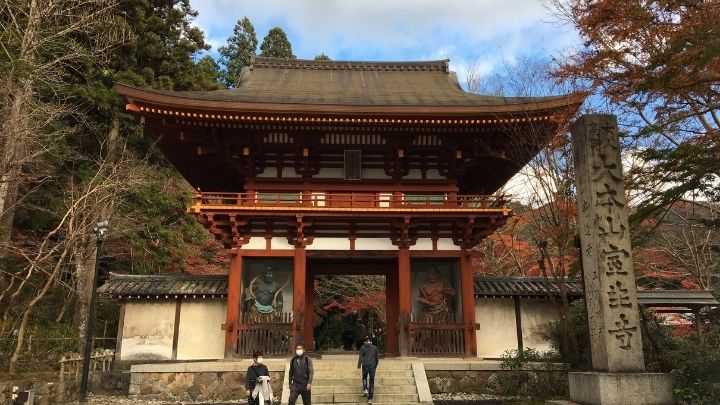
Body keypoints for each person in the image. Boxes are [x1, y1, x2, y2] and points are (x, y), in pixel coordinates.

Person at [357, 335, 379, 405]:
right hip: (372, 366)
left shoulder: (362, 347)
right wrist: (375, 366)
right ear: (371, 341)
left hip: (365, 365)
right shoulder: (374, 348)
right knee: (371, 381)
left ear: (365, 341)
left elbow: (360, 358)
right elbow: (377, 359)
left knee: (364, 377)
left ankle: (365, 389)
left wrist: (359, 366)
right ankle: (370, 399)